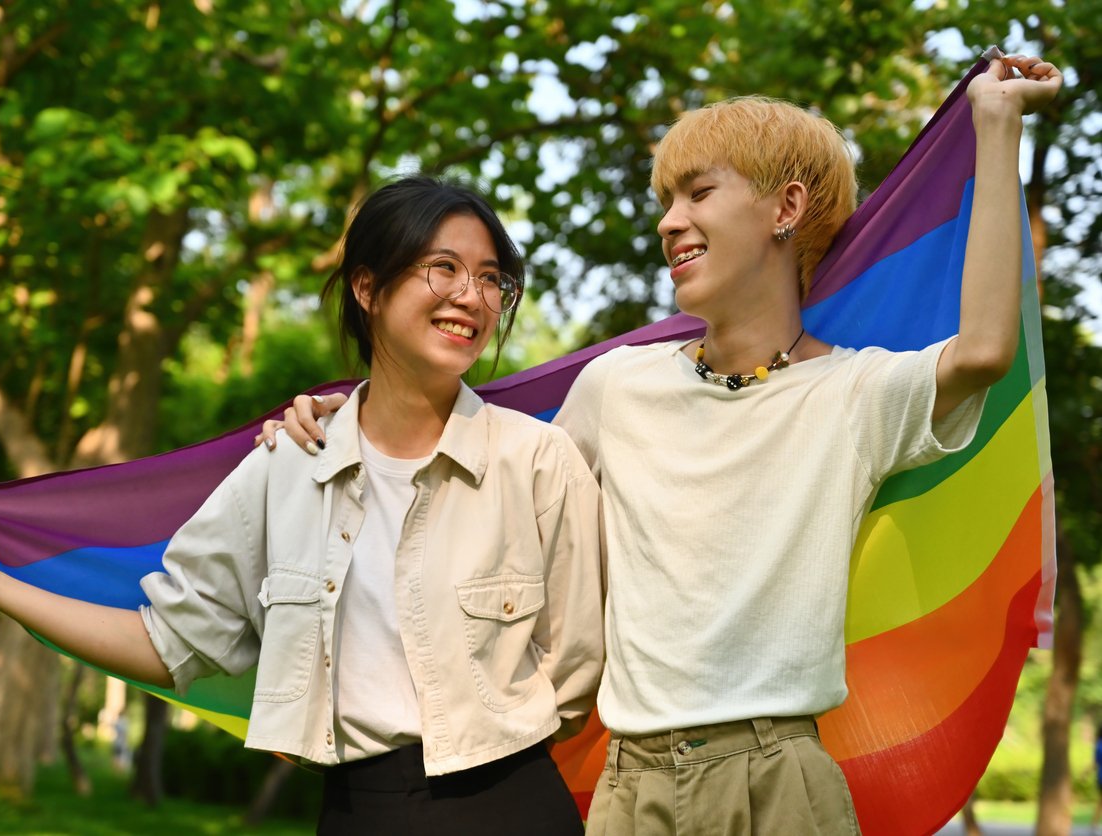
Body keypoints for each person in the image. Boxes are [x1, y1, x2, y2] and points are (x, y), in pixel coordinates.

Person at [262, 53, 1062, 833]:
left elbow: (985, 349)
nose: (669, 220)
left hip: (776, 782)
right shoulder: (618, 388)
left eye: (698, 193)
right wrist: (354, 421)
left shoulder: (852, 395)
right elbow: (481, 471)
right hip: (631, 789)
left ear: (785, 209)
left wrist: (995, 128)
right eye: (666, 199)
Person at [0, 175, 604, 836]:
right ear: (368, 287)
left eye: (491, 279)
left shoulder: (538, 461)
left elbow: (575, 669)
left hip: (512, 804)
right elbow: (168, 641)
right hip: (359, 810)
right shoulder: (288, 468)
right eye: (442, 267)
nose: (472, 297)